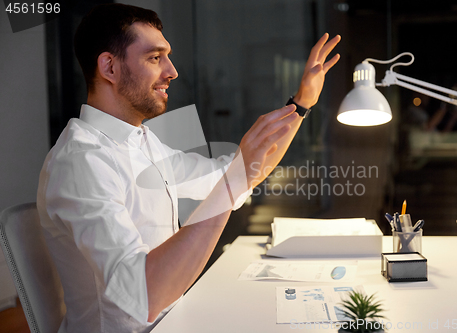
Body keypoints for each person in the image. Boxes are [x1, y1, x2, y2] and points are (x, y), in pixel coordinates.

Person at [36, 3, 341, 333]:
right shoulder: (82, 161)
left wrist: (301, 104)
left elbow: (236, 175)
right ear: (109, 67)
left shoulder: (141, 141)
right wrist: (234, 179)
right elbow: (142, 295)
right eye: (155, 58)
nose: (172, 70)